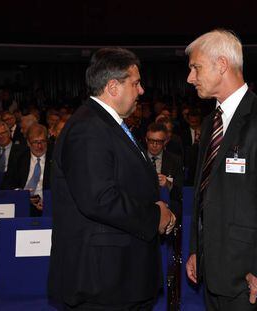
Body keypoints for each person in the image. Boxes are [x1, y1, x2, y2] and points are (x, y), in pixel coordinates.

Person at [48, 47, 176, 310]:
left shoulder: (106, 124)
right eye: (136, 83)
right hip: (102, 282)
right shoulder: (88, 129)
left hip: (121, 277)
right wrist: (155, 216)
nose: (141, 91)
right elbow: (100, 199)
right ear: (113, 86)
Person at [184, 29, 257, 310]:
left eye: (196, 68)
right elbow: (203, 192)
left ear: (221, 65)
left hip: (248, 276)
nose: (190, 78)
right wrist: (197, 249)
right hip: (212, 269)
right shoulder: (210, 122)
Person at [0, 123, 52, 216]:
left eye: (43, 141)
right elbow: (5, 185)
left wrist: (48, 202)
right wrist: (22, 195)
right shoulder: (19, 158)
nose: (40, 146)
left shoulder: (54, 159)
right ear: (28, 143)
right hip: (22, 203)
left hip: (48, 205)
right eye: (35, 142)